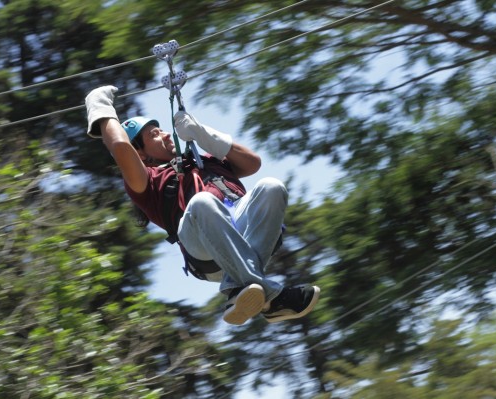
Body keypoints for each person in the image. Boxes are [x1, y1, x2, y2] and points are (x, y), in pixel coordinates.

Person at [84, 85, 320, 325]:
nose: (165, 134)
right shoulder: (149, 182)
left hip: (246, 233)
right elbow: (121, 148)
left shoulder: (204, 161)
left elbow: (252, 163)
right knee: (202, 202)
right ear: (141, 153)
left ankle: (255, 294)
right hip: (204, 251)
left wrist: (201, 133)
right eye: (154, 135)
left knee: (272, 186)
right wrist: (100, 107)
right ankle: (265, 293)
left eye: (162, 130)